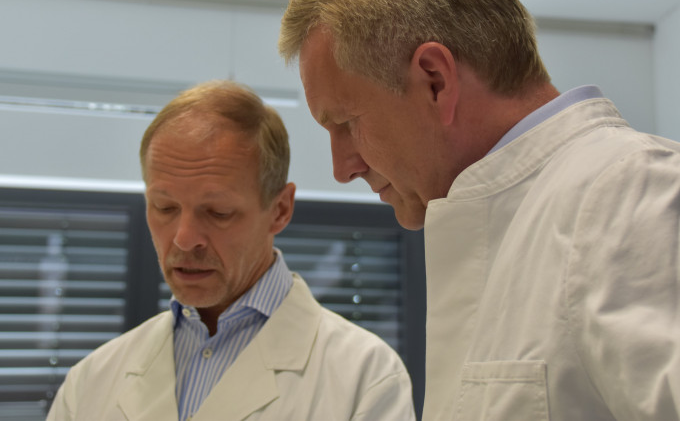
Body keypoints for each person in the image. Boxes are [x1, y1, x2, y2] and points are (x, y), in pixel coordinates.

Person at [278, 0, 680, 420]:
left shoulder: (634, 193)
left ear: (435, 81)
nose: (343, 167)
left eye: (346, 123)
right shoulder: (505, 223)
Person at [47, 80, 416, 421]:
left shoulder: (365, 377)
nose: (184, 238)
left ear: (280, 210)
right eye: (165, 208)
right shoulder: (91, 382)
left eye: (218, 212)